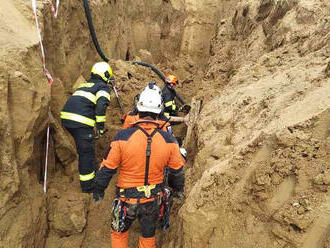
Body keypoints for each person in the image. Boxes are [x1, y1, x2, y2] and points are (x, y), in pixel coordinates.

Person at [92, 83, 185, 248]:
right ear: (159, 113)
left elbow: (107, 168)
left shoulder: (122, 136)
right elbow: (177, 172)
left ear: (139, 109)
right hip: (153, 200)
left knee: (119, 234)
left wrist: (99, 189)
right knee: (148, 237)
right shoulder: (169, 140)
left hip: (126, 199)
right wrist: (177, 190)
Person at [60, 62, 112, 193]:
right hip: (80, 121)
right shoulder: (102, 87)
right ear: (105, 75)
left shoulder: (84, 85)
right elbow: (101, 106)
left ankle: (92, 168)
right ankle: (88, 186)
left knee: (86, 147)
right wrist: (100, 127)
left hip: (67, 118)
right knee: (85, 152)